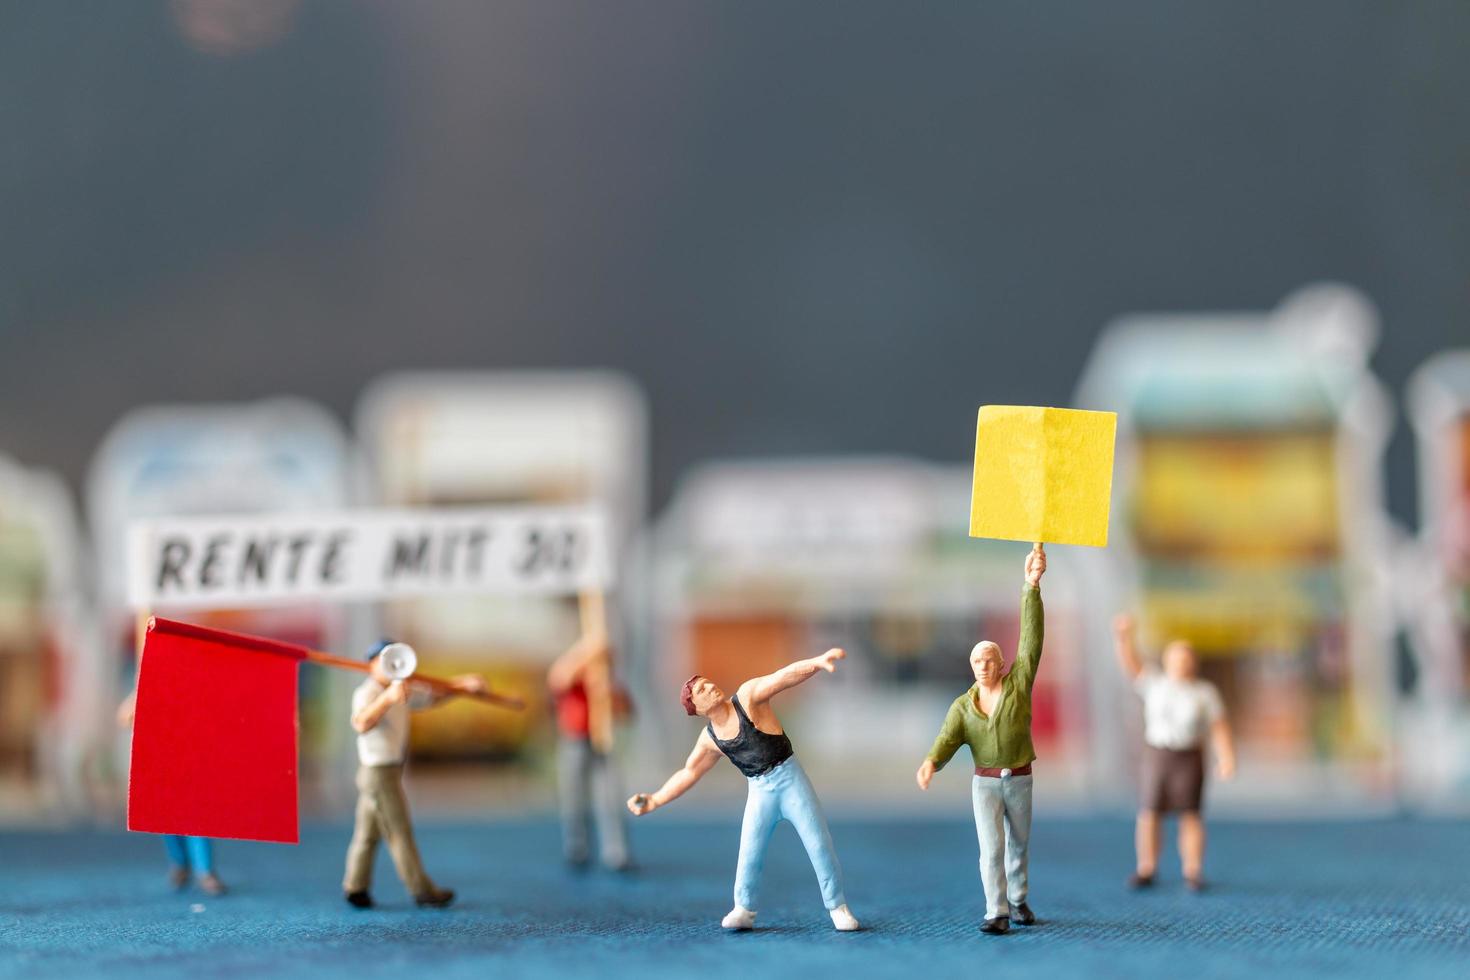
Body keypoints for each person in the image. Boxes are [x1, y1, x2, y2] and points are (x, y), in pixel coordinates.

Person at [626, 650, 860, 932]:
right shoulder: (709, 739)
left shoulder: (748, 698)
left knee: (819, 844)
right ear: (696, 708)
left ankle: (837, 906)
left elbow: (782, 678)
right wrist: (655, 799)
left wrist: (816, 663)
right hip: (760, 792)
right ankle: (744, 909)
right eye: (701, 689)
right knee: (749, 851)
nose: (710, 687)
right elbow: (689, 772)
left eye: (708, 682)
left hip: (791, 780)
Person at [916, 543, 1047, 935]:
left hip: (1020, 779)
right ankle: (997, 911)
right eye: (977, 661)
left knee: (1018, 844)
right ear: (971, 666)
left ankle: (1019, 897)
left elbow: (1031, 642)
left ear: (1001, 664)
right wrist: (930, 762)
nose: (983, 666)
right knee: (991, 849)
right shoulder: (962, 707)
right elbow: (947, 738)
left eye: (990, 660)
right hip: (984, 783)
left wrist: (1031, 587)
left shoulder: (1018, 685)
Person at [342, 641, 487, 909]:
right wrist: (387, 698)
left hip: (389, 769)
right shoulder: (368, 692)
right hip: (378, 771)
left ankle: (355, 886)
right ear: (372, 664)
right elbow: (361, 723)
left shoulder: (402, 690)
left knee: (367, 833)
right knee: (399, 832)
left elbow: (433, 696)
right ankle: (421, 890)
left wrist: (461, 687)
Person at [1111, 614, 1236, 891]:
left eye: (1186, 658)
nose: (1182, 663)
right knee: (1149, 812)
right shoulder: (1155, 683)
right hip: (1159, 755)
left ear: (1194, 662)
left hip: (1189, 757)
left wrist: (1226, 757)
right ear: (1167, 662)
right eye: (1176, 658)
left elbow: (1219, 727)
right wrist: (1124, 638)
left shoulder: (1205, 693)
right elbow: (1131, 665)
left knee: (1190, 814)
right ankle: (1147, 867)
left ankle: (1193, 870)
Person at [117, 691, 227, 896]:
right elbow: (125, 715)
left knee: (196, 810)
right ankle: (181, 862)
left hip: (191, 739)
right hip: (161, 744)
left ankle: (204, 870)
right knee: (166, 813)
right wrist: (135, 702)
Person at [547, 628, 633, 871]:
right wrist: (587, 650)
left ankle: (616, 852)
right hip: (574, 739)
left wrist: (610, 696)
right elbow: (558, 678)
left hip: (603, 740)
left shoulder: (609, 682)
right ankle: (577, 849)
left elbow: (627, 713)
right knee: (573, 796)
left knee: (610, 796)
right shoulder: (573, 677)